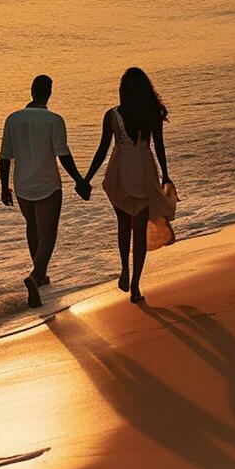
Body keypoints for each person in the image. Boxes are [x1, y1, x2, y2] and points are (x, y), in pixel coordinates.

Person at [81, 67, 176, 303]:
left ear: (122, 90)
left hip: (120, 171)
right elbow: (159, 147)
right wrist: (165, 174)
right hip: (144, 171)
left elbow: (102, 150)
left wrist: (86, 178)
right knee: (139, 230)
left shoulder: (112, 115)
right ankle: (135, 285)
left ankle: (124, 269)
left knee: (123, 225)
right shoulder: (152, 113)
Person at [0, 74, 90, 308]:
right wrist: (79, 180)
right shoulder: (54, 120)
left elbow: (4, 156)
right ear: (49, 92)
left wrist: (3, 187)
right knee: (48, 234)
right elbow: (62, 154)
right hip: (48, 184)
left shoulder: (13, 119)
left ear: (31, 90)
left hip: (22, 184)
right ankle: (35, 275)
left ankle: (41, 275)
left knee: (32, 227)